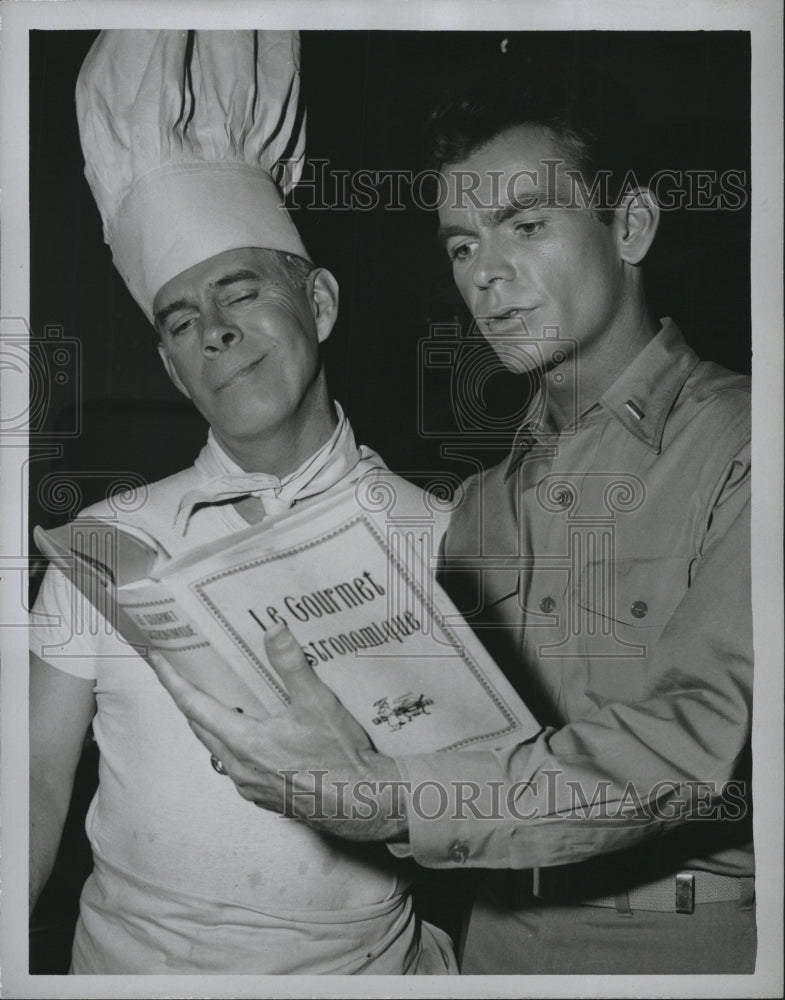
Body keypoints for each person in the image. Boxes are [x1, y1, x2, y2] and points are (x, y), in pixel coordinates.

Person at [152, 62, 755, 974]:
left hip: (685, 940)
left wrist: (394, 801)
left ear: (627, 224)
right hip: (493, 937)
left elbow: (687, 747)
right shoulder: (478, 508)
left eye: (524, 225)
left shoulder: (748, 444)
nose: (488, 276)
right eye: (462, 246)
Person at [29, 30, 456, 975]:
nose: (215, 332)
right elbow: (32, 772)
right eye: (181, 320)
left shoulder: (445, 540)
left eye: (242, 293)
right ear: (172, 367)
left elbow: (488, 798)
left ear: (323, 303)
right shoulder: (105, 544)